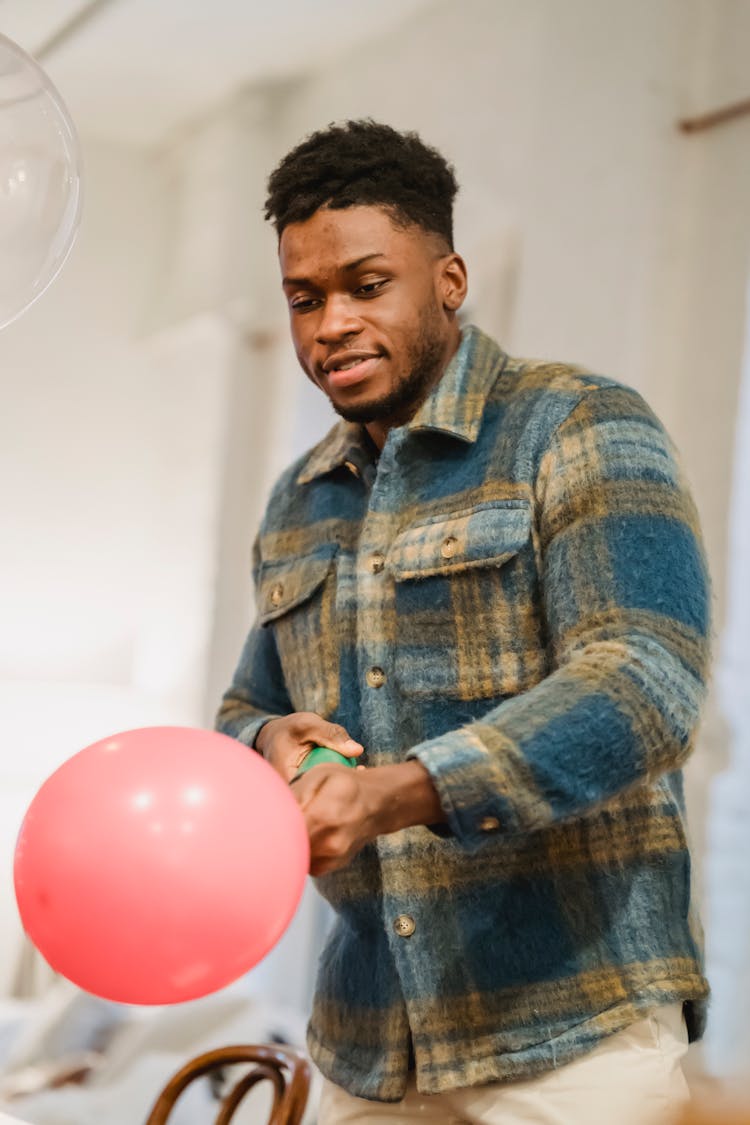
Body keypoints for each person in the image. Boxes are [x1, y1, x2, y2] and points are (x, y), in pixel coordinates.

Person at [216, 120, 711, 1124]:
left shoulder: (576, 423)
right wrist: (268, 739)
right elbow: (244, 705)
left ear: (449, 278)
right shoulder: (298, 498)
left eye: (366, 284)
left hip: (574, 1036)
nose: (329, 325)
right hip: (372, 1042)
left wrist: (398, 792)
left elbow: (644, 682)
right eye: (303, 299)